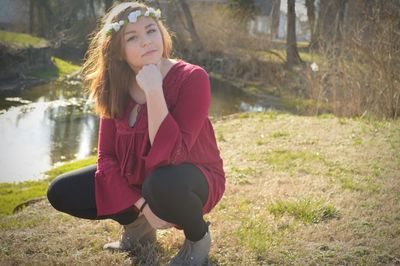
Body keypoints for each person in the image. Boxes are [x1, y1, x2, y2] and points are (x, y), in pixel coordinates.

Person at [46, 2, 225, 265]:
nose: (146, 42)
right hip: (141, 181)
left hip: (189, 176)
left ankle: (197, 239)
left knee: (161, 182)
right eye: (133, 37)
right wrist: (142, 206)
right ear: (118, 51)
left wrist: (154, 91)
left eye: (151, 31)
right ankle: (139, 228)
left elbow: (172, 156)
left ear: (162, 33)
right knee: (61, 191)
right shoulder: (114, 87)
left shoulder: (192, 78)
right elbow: (106, 157)